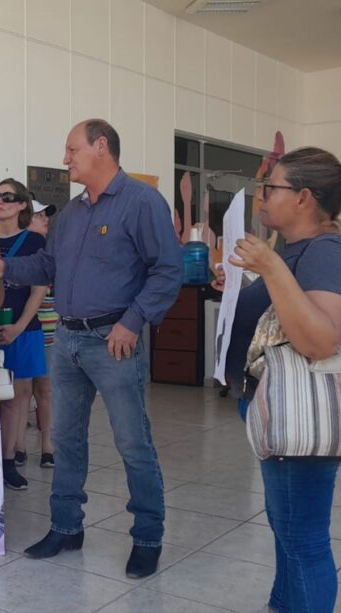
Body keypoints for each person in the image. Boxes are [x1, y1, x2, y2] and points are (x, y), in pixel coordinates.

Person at [0, 119, 182, 578]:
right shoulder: (70, 215)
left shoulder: (141, 202)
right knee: (66, 440)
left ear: (101, 147)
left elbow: (167, 270)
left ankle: (147, 537)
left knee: (133, 442)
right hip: (67, 340)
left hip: (114, 341)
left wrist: (133, 322)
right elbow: (47, 264)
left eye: (72, 150)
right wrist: (3, 269)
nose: (66, 159)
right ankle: (66, 527)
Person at [215, 147, 341, 613]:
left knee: (303, 538)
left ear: (304, 198)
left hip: (301, 411)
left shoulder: (325, 251)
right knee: (287, 526)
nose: (262, 197)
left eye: (271, 188)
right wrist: (244, 285)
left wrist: (269, 267)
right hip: (276, 408)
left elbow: (320, 339)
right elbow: (283, 311)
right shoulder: (294, 250)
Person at [0, 179, 47, 491]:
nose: (1, 201)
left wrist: (19, 326)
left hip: (22, 328)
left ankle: (8, 461)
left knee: (17, 398)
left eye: (8, 197)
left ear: (23, 204)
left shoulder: (35, 242)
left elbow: (39, 288)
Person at [27, 200, 57, 469]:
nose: (44, 219)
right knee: (21, 391)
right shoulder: (16, 249)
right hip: (24, 330)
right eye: (38, 215)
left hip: (49, 331)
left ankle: (48, 444)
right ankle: (18, 447)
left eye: (45, 215)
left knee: (44, 389)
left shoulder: (53, 249)